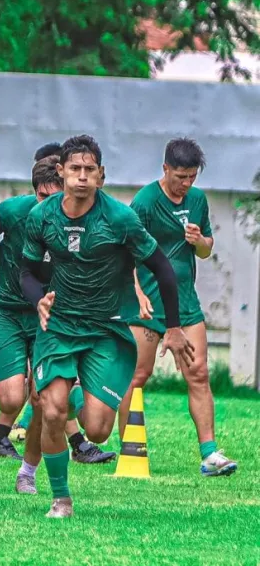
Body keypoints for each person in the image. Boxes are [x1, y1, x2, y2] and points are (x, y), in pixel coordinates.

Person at [19, 134, 193, 518]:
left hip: (107, 330)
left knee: (97, 430)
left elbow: (162, 268)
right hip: (59, 326)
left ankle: (73, 392)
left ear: (101, 174)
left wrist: (174, 327)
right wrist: (38, 300)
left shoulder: (120, 219)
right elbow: (26, 272)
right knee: (51, 411)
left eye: (90, 170)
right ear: (61, 171)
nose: (82, 177)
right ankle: (61, 498)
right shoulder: (42, 216)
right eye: (75, 169)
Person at [121, 138, 237, 476]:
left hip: (185, 303)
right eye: (180, 176)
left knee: (198, 373)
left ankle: (210, 454)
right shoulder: (144, 202)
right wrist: (136, 293)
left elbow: (207, 249)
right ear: (165, 169)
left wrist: (199, 241)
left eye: (192, 177)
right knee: (137, 375)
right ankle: (128, 448)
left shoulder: (198, 200)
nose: (186, 183)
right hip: (148, 304)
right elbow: (125, 253)